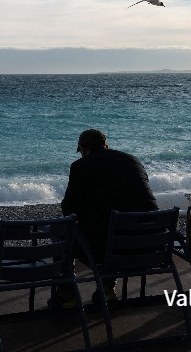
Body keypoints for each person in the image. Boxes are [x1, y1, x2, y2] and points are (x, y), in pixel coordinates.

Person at [60, 128, 159, 303]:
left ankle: (67, 295)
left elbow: (68, 210)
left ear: (84, 149)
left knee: (63, 234)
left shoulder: (81, 166)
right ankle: (106, 288)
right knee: (113, 228)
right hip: (151, 246)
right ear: (105, 145)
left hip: (112, 250)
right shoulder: (133, 161)